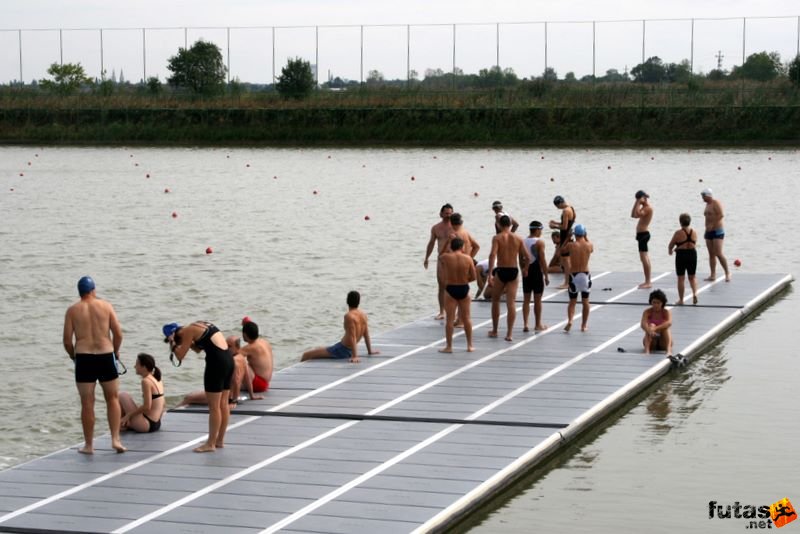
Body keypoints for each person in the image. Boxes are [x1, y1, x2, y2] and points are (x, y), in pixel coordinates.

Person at [62, 276, 126, 454]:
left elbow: (67, 341)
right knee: (112, 398)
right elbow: (118, 334)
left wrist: (73, 356)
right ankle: (115, 439)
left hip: (84, 358)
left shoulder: (72, 310)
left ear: (80, 292)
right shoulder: (106, 306)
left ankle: (89, 445)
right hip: (106, 355)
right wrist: (116, 351)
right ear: (93, 290)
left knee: (87, 402)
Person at [164, 320, 234, 453]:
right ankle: (219, 440)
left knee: (214, 407)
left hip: (216, 363)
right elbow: (198, 349)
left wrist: (173, 344)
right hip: (228, 360)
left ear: (175, 335)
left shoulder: (188, 331)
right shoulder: (198, 325)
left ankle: (210, 444)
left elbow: (179, 356)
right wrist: (188, 344)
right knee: (223, 404)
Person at [301, 291, 380, 363]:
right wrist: (370, 351)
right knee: (318, 348)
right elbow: (366, 335)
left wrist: (355, 356)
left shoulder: (349, 316)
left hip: (342, 350)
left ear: (347, 301)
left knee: (306, 355)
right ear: (358, 302)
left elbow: (352, 336)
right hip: (346, 349)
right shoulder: (363, 315)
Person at [488, 215, 528, 341]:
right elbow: (527, 257)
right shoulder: (518, 238)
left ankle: (495, 331)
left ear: (499, 225)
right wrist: (525, 269)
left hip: (501, 270)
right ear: (510, 225)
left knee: (495, 301)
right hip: (513, 271)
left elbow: (492, 255)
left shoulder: (497, 238)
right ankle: (509, 334)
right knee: (511, 303)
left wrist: (490, 274)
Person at [178, 335, 248, 407]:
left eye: (229, 346)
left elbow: (236, 380)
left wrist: (234, 401)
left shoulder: (233, 361)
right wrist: (252, 395)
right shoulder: (242, 358)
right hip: (226, 393)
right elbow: (247, 376)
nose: (226, 348)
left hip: (223, 396)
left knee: (189, 397)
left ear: (237, 347)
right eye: (225, 345)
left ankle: (171, 413)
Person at [438, 238, 477, 353]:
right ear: (462, 247)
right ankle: (469, 345)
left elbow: (440, 254)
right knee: (467, 318)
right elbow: (474, 277)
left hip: (451, 289)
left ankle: (449, 347)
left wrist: (446, 243)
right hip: (463, 288)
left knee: (450, 319)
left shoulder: (445, 257)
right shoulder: (468, 258)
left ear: (452, 246)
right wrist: (464, 280)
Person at [119, 353, 165, 433]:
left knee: (122, 395)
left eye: (136, 364)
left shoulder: (146, 381)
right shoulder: (157, 378)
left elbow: (147, 406)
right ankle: (124, 423)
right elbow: (163, 403)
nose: (134, 366)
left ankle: (122, 424)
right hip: (156, 423)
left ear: (144, 367)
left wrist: (128, 415)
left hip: (147, 425)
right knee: (125, 397)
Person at [424, 203, 454, 319]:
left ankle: (454, 311)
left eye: (450, 213)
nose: (448, 215)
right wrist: (426, 258)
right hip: (441, 259)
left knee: (454, 285)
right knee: (441, 286)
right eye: (446, 213)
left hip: (453, 259)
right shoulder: (436, 228)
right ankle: (442, 311)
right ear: (441, 214)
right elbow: (431, 243)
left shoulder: (455, 227)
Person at [563, 224, 594, 332]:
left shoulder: (571, 245)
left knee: (572, 301)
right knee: (586, 301)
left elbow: (561, 252)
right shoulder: (589, 245)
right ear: (584, 233)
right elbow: (591, 250)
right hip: (585, 275)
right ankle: (584, 325)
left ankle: (570, 321)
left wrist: (567, 238)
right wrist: (586, 237)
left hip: (574, 275)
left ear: (574, 234)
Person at [232, 320, 273, 401]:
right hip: (266, 383)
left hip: (258, 384)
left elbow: (231, 358)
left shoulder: (250, 347)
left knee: (239, 362)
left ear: (244, 335)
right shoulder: (264, 342)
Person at [522, 221, 550, 333]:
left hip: (526, 272)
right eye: (541, 230)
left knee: (526, 300)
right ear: (537, 230)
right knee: (537, 300)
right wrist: (546, 275)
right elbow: (542, 260)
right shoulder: (539, 242)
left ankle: (525, 324)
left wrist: (523, 270)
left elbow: (520, 259)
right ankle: (538, 324)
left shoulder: (522, 241)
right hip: (537, 272)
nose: (541, 232)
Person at [668, 212, 699, 305]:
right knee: (692, 277)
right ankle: (695, 294)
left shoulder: (678, 233)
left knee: (681, 278)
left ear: (680, 222)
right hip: (692, 254)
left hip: (681, 255)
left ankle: (681, 300)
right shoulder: (694, 232)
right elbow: (693, 244)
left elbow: (671, 245)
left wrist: (671, 251)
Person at [701, 188, 731, 282]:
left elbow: (721, 215)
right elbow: (707, 218)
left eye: (703, 196)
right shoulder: (707, 205)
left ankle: (727, 273)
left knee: (718, 253)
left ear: (708, 195)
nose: (702, 198)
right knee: (711, 254)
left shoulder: (715, 203)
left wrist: (712, 225)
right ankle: (713, 275)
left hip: (717, 231)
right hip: (708, 232)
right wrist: (706, 228)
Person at [549, 195, 576, 288]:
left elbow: (564, 227)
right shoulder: (571, 208)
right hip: (569, 237)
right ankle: (569, 282)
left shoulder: (565, 211)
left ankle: (567, 283)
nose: (558, 208)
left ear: (559, 204)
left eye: (557, 207)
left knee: (566, 261)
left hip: (565, 238)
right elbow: (568, 224)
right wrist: (555, 222)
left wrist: (554, 226)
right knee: (567, 261)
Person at [640, 289, 674, 360]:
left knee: (666, 328)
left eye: (658, 303)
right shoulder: (647, 312)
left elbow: (669, 323)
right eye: (654, 302)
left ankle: (668, 350)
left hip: (663, 341)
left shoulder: (666, 312)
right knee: (650, 325)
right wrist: (649, 330)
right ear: (651, 302)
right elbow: (643, 324)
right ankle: (647, 350)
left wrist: (655, 329)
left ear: (662, 303)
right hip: (652, 341)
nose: (656, 305)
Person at [630, 190, 653, 289]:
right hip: (641, 234)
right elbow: (633, 215)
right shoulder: (643, 207)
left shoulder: (648, 208)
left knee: (644, 258)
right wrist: (637, 202)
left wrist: (638, 202)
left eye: (641, 198)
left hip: (644, 234)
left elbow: (638, 214)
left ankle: (648, 281)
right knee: (644, 258)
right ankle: (647, 281)